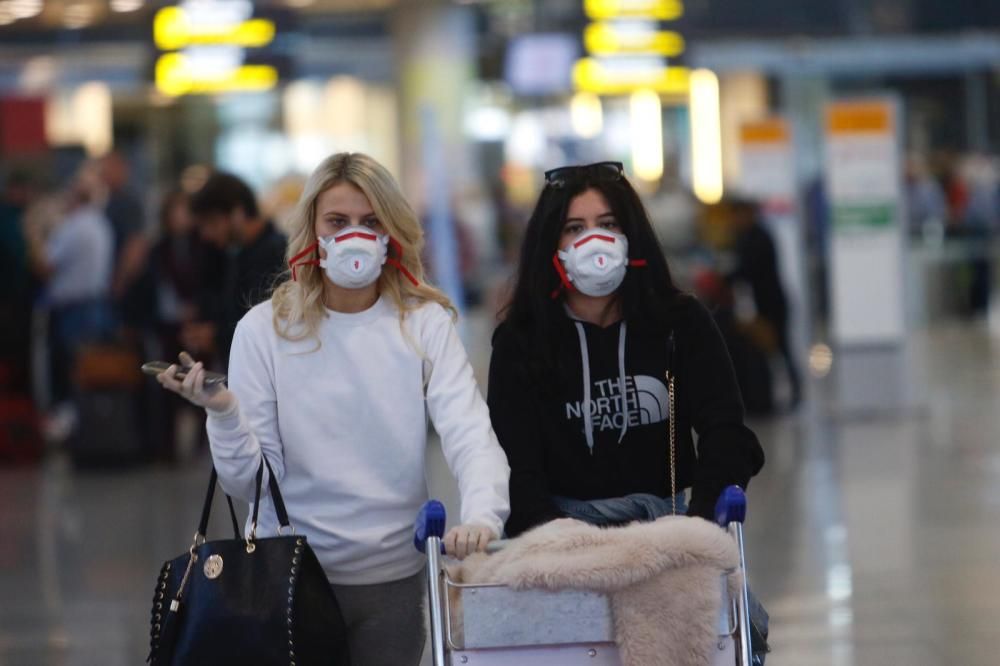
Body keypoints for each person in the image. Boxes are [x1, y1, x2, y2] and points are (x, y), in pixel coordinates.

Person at [156, 152, 510, 665]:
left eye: (370, 222)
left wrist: (483, 515)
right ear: (313, 232)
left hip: (394, 580)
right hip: (291, 581)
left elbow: (469, 432)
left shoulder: (423, 323)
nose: (354, 237)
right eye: (338, 222)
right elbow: (248, 484)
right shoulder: (264, 329)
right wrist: (226, 413)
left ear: (391, 233)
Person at [488, 161, 764, 537]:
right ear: (551, 244)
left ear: (630, 234)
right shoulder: (521, 341)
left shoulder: (680, 322)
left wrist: (699, 524)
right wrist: (557, 540)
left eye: (609, 224)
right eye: (574, 229)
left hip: (665, 524)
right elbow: (516, 466)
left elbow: (725, 433)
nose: (594, 241)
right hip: (560, 535)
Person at [183, 172, 288, 369]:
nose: (206, 234)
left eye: (212, 223)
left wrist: (217, 337)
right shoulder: (234, 253)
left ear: (238, 213)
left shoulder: (277, 254)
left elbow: (269, 328)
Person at [729, 197, 801, 408]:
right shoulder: (747, 237)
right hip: (764, 302)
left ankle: (795, 392)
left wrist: (725, 278)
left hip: (773, 303)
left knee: (781, 346)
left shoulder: (759, 238)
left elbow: (747, 269)